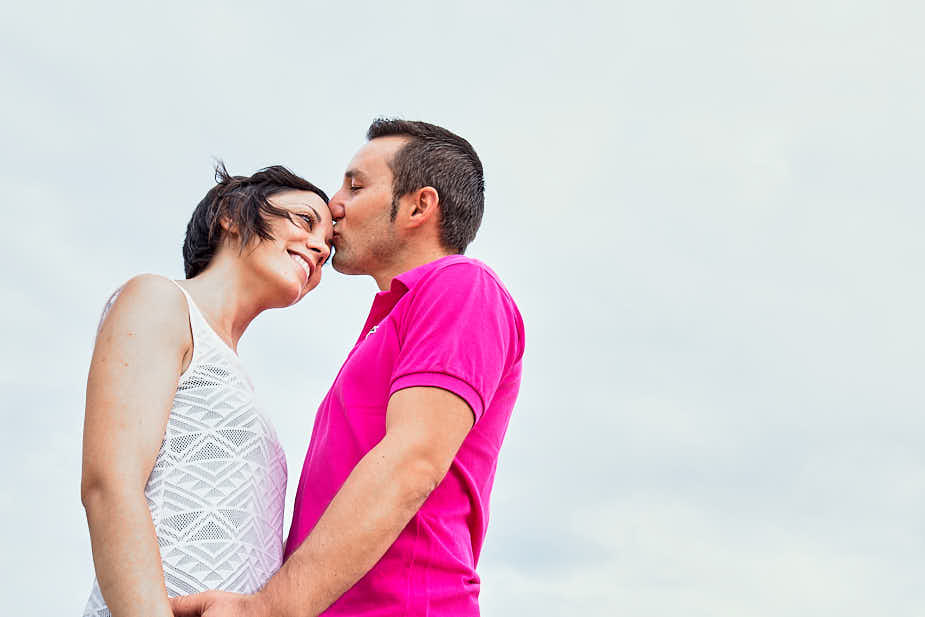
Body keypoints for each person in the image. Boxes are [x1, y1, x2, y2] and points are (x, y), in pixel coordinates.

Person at [171, 119, 525, 617]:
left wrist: (269, 609)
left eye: (355, 186)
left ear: (419, 206)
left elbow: (412, 459)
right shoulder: (387, 324)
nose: (334, 204)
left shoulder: (462, 285)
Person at [80, 163, 333, 617]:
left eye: (329, 248)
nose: (320, 248)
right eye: (305, 220)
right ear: (231, 214)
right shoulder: (159, 300)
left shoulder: (238, 377)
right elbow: (110, 485)